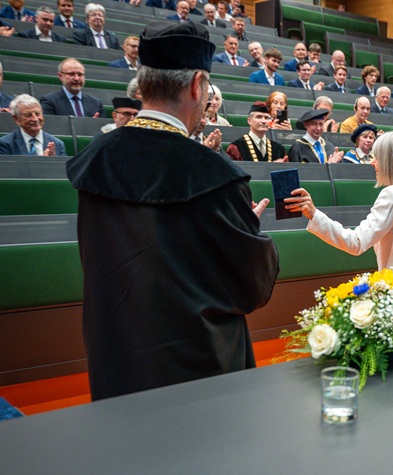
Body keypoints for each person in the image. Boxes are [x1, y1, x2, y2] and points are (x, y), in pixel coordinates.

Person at [66, 21, 279, 402]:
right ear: (197, 85)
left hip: (117, 360)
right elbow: (252, 287)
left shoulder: (97, 160)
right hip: (200, 373)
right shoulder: (214, 174)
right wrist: (249, 231)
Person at [287, 130, 393, 283]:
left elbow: (356, 243)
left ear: (391, 161)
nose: (372, 162)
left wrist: (313, 213)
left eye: (377, 157)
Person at [0, 94, 67, 156]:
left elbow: (63, 165)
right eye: (28, 115)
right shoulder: (5, 144)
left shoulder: (57, 144)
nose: (35, 119)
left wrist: (53, 162)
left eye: (37, 114)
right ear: (16, 119)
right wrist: (44, 162)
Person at [40, 58, 106, 118]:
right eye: (71, 74)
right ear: (60, 76)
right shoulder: (49, 101)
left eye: (80, 74)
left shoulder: (96, 104)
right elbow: (51, 126)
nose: (76, 78)